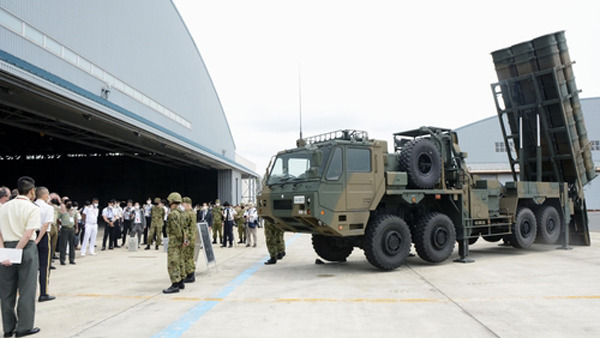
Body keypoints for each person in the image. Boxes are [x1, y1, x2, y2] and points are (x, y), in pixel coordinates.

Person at [0, 176, 42, 337]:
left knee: (7, 290)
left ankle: (8, 328)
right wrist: (16, 252)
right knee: (26, 288)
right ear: (32, 191)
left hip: (6, 247)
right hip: (25, 249)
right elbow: (27, 234)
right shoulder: (32, 208)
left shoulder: (4, 207)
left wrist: (4, 251)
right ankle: (24, 326)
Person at [33, 187, 55, 302]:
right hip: (42, 236)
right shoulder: (48, 208)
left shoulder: (31, 205)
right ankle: (43, 292)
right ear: (46, 195)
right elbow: (46, 225)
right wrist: (38, 239)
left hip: (31, 234)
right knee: (44, 266)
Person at [162, 192, 187, 294]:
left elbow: (176, 229)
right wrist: (184, 240)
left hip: (174, 242)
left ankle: (175, 284)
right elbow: (184, 228)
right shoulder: (182, 213)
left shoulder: (173, 214)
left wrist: (178, 239)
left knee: (173, 262)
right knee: (180, 261)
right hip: (181, 242)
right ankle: (181, 281)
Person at [57, 200, 78, 265]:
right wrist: (61, 224)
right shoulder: (62, 211)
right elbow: (57, 219)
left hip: (71, 228)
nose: (69, 205)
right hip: (65, 228)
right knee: (63, 244)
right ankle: (62, 260)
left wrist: (76, 227)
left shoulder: (74, 211)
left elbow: (75, 220)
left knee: (72, 244)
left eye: (70, 204)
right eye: (68, 204)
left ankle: (71, 259)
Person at [181, 197, 196, 283]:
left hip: (189, 238)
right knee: (188, 256)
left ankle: (190, 275)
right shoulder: (191, 213)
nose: (182, 206)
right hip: (189, 238)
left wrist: (188, 239)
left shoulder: (189, 213)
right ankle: (190, 273)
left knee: (188, 257)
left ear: (187, 204)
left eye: (183, 205)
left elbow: (191, 228)